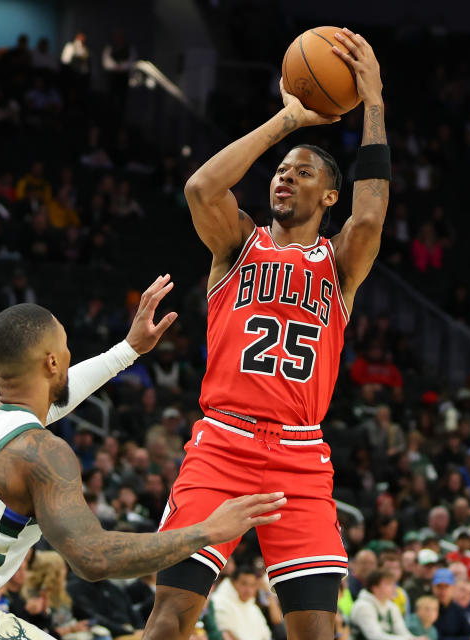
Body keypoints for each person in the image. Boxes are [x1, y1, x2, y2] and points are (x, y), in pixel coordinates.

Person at [0, 279, 286, 640]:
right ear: (50, 363)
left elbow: (48, 404)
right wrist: (208, 531)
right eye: (64, 345)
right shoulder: (42, 453)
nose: (69, 353)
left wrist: (126, 352)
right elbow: (93, 559)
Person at [145, 29, 388, 640]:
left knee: (316, 633)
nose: (284, 178)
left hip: (300, 456)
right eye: (280, 172)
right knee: (171, 619)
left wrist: (374, 102)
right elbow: (201, 188)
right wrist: (286, 121)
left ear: (328, 193)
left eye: (302, 173)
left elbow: (370, 215)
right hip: (221, 444)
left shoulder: (338, 264)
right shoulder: (237, 245)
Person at [351, 570, 421, 640]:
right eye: (388, 584)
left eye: (394, 584)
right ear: (375, 588)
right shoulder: (363, 606)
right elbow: (375, 637)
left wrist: (415, 639)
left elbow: (402, 632)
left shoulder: (391, 606)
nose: (394, 588)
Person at [209, 564, 273, 640]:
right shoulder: (219, 601)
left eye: (252, 585)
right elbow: (226, 634)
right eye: (244, 584)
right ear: (233, 582)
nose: (249, 590)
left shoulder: (253, 606)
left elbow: (266, 636)